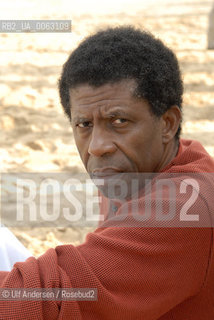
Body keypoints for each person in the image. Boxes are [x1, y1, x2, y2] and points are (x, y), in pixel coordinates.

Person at [0, 26, 214, 319]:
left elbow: (53, 300)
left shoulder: (185, 207)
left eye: (119, 121)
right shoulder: (137, 170)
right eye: (84, 125)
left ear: (167, 124)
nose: (98, 147)